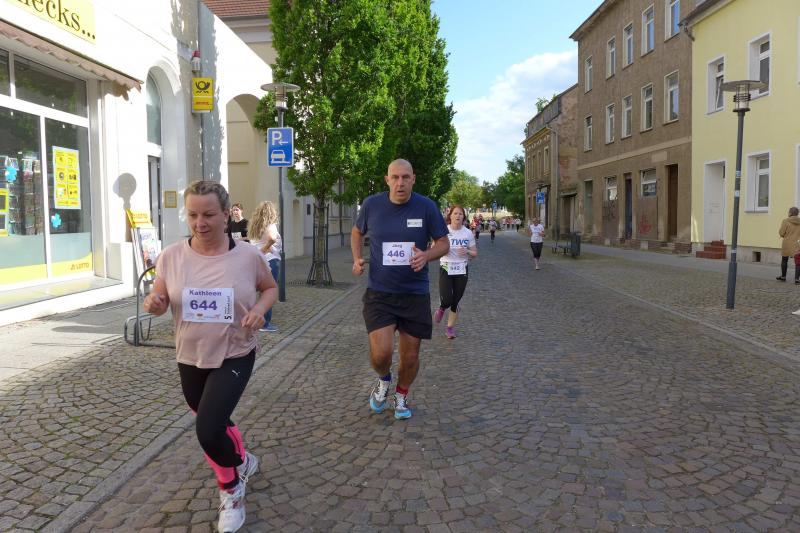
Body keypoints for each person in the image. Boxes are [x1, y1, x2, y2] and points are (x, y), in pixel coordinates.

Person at [143, 180, 277, 533]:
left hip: (235, 351)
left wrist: (259, 311)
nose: (199, 223)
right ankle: (243, 461)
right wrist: (153, 304)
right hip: (189, 355)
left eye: (208, 215)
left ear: (226, 214)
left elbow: (270, 288)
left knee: (208, 427)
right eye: (192, 215)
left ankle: (231, 491)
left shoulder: (248, 255)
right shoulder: (171, 256)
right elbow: (159, 299)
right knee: (214, 422)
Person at [351, 158, 449, 420]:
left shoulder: (426, 207)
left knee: (410, 356)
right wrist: (356, 258)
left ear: (413, 179)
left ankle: (402, 394)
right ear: (387, 180)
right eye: (395, 177)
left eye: (406, 177)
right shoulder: (371, 205)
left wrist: (427, 255)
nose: (400, 182)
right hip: (380, 294)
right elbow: (357, 232)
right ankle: (384, 380)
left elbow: (443, 243)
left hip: (414, 294)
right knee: (381, 354)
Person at [434, 205, 477, 339]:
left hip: (461, 268)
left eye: (460, 214)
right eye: (455, 213)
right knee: (447, 299)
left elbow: (474, 253)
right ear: (450, 216)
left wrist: (467, 251)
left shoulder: (468, 233)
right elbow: (433, 248)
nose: (458, 216)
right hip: (446, 267)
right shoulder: (443, 230)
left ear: (463, 217)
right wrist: (443, 249)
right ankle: (442, 307)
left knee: (456, 300)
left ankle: (449, 328)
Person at [249, 201, 283, 332]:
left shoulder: (255, 226)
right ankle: (264, 323)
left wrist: (259, 252)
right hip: (270, 260)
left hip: (256, 261)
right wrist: (265, 249)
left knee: (253, 290)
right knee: (268, 291)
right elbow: (272, 238)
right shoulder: (271, 225)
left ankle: (249, 316)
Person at [777, 207, 800, 283]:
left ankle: (783, 277)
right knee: (798, 261)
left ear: (790, 213)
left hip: (787, 243)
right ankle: (797, 279)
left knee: (784, 259)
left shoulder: (785, 221)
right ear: (797, 213)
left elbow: (781, 233)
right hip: (798, 244)